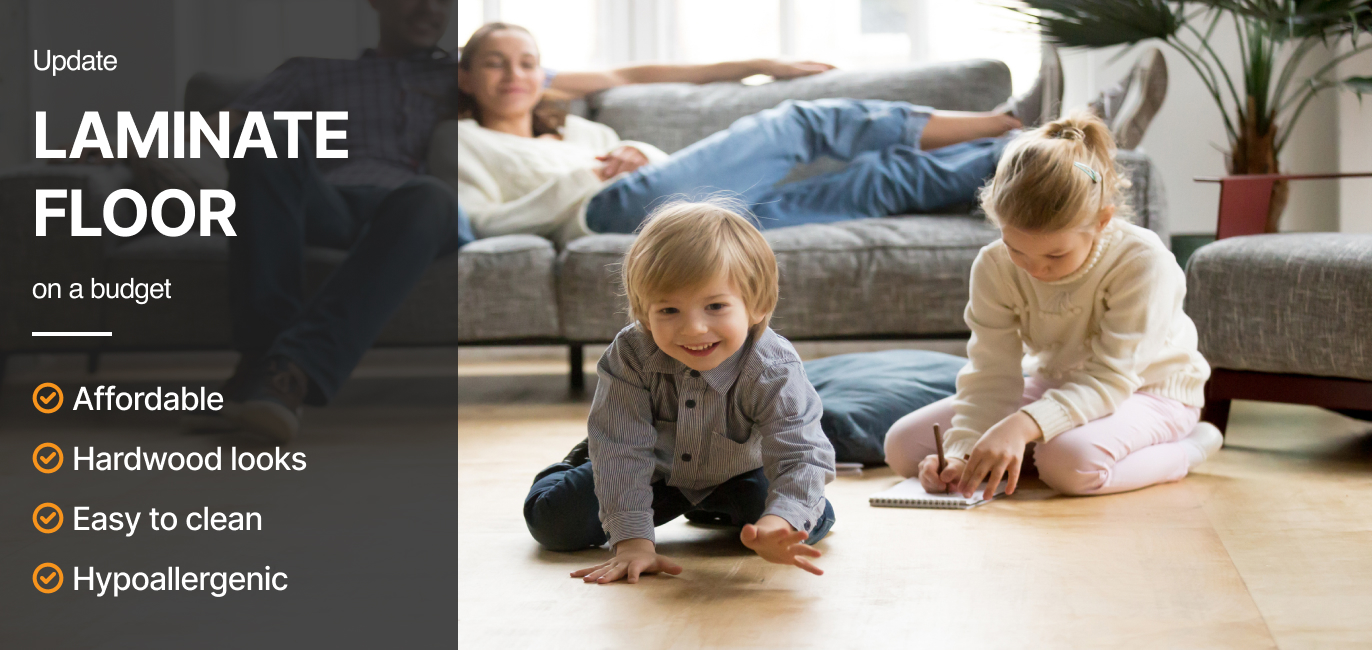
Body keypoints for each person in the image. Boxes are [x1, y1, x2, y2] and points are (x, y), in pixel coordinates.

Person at [438, 22, 1074, 244]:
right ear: (466, 77)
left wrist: (640, 154)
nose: (514, 74)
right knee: (798, 122)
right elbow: (486, 223)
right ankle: (1009, 117)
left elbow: (664, 166)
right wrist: (588, 176)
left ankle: (1054, 146)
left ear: (543, 74)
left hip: (682, 214)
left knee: (878, 181)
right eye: (495, 63)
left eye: (526, 62)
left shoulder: (579, 125)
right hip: (608, 213)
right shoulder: (462, 142)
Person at [882, 112, 1222, 501]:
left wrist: (1020, 427)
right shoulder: (994, 264)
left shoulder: (1143, 261)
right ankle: (1035, 448)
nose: (1035, 269)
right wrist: (961, 453)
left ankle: (1189, 447)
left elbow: (1111, 378)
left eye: (1056, 255)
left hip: (1149, 390)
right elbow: (990, 373)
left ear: (1101, 221)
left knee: (1069, 467)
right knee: (904, 448)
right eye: (1016, 249)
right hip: (1057, 385)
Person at [523, 201, 836, 584]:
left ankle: (718, 508)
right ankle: (580, 459)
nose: (694, 329)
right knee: (554, 523)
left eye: (716, 306)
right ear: (643, 312)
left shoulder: (773, 367)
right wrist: (633, 541)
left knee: (803, 523)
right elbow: (622, 450)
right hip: (652, 470)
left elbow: (802, 454)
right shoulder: (630, 355)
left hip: (739, 471)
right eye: (669, 311)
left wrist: (779, 521)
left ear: (757, 306)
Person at [212, 0, 461, 442]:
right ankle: (267, 365)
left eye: (442, 0)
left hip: (407, 215)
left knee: (434, 196)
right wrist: (130, 146)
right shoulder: (311, 71)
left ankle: (279, 371)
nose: (429, 9)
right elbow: (225, 123)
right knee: (268, 133)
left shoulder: (459, 75)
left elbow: (552, 79)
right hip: (326, 203)